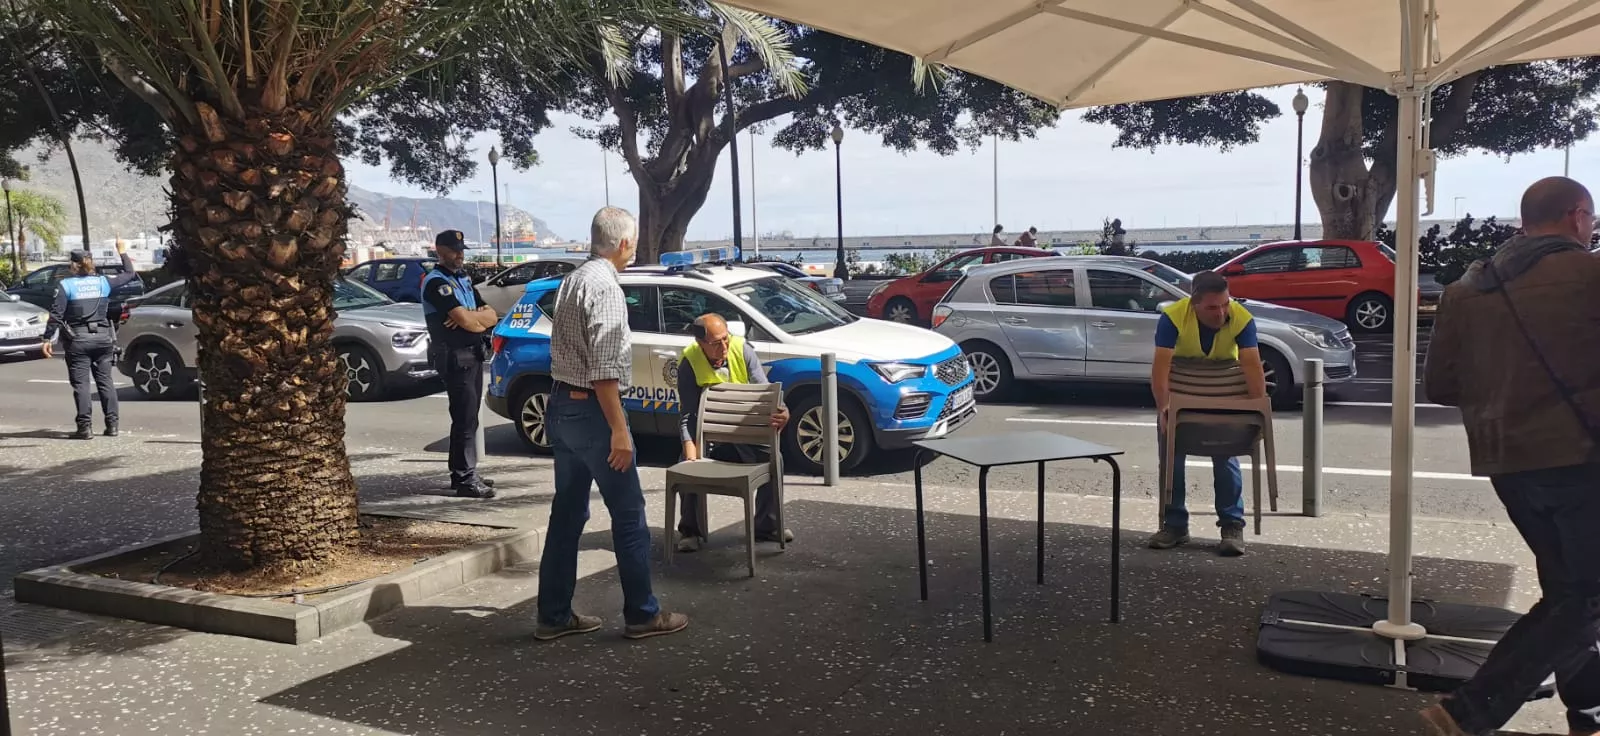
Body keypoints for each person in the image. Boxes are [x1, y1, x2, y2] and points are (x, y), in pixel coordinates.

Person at [1418, 176, 1600, 736]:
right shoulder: (1590, 275)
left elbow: (1441, 385)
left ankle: (1587, 708)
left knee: (1570, 590)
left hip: (1506, 462)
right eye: (1591, 219)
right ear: (1575, 215)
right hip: (1582, 455)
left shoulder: (1466, 290)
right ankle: (1468, 712)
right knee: (1585, 594)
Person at [536, 206, 688, 642]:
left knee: (567, 513)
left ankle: (554, 615)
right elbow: (604, 367)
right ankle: (642, 614)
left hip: (563, 405)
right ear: (623, 244)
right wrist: (620, 431)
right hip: (593, 412)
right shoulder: (606, 288)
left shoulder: (573, 280)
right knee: (628, 513)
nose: (634, 248)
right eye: (634, 241)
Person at [1147, 270, 1265, 557]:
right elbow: (1160, 367)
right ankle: (1174, 525)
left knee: (1226, 452)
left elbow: (1251, 365)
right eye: (1213, 307)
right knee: (1171, 454)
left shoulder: (1242, 318)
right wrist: (1163, 408)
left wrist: (1258, 410)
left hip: (1224, 392)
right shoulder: (1173, 318)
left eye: (1225, 304)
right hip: (1183, 392)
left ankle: (1231, 526)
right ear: (1194, 304)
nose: (1222, 312)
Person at [673, 313, 792, 553]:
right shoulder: (689, 362)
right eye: (716, 343)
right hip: (712, 440)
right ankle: (690, 531)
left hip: (745, 434)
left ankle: (767, 526)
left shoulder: (742, 350)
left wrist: (783, 412)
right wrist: (689, 447)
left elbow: (765, 395)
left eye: (725, 339)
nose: (724, 347)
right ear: (701, 344)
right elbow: (688, 414)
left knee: (775, 460)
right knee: (686, 464)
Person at [421, 229, 498, 499]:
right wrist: (471, 318)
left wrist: (474, 316)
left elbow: (492, 315)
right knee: (464, 418)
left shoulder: (462, 280)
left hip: (472, 353)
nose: (460, 254)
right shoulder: (436, 282)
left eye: (462, 249)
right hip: (454, 355)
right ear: (439, 250)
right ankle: (465, 478)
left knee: (470, 417)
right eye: (454, 250)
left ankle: (465, 471)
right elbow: (466, 322)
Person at [43, 243, 138, 439]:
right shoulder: (103, 282)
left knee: (82, 384)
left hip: (78, 340)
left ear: (73, 265)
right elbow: (130, 273)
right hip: (103, 339)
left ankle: (85, 428)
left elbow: (56, 315)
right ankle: (112, 426)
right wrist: (122, 251)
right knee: (105, 382)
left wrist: (47, 338)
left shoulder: (66, 286)